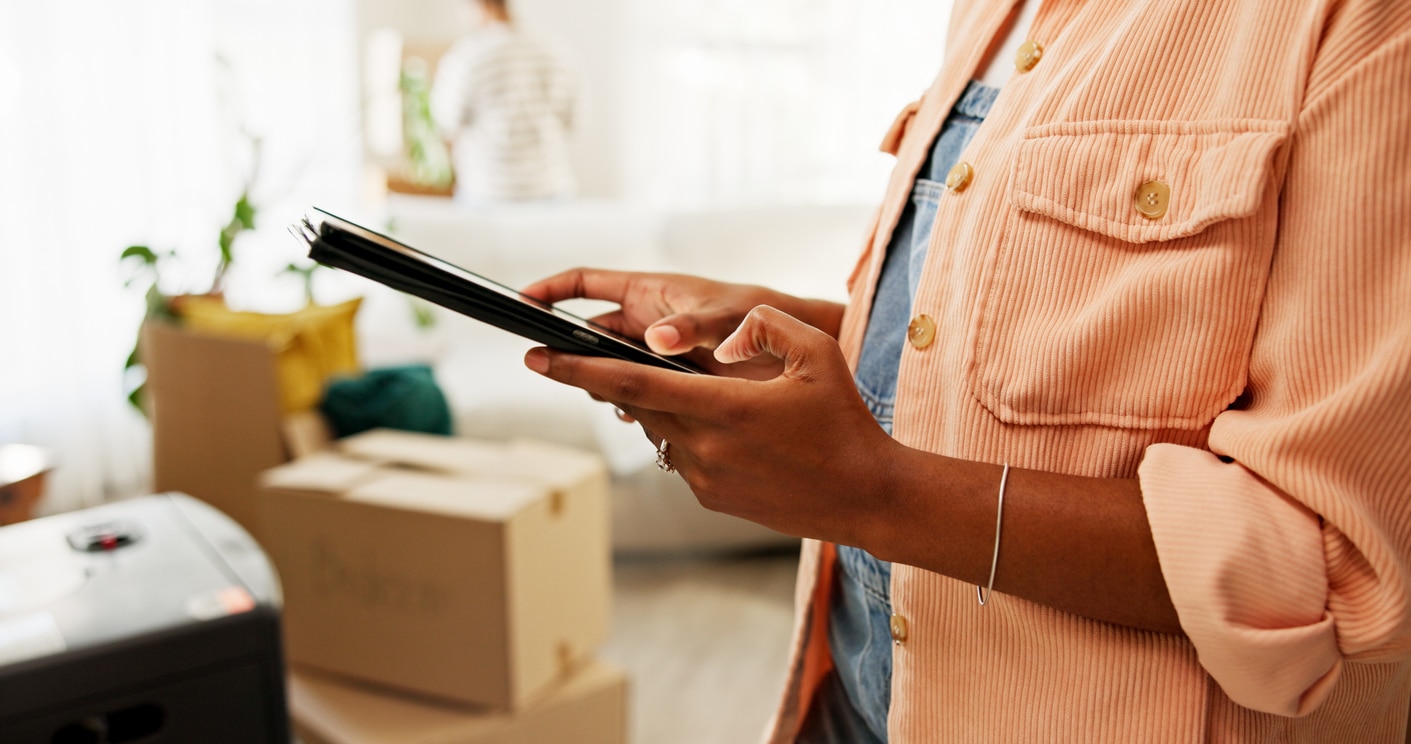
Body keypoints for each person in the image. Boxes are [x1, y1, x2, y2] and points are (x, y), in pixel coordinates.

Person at [521, 0, 1411, 741]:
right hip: (857, 701)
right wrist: (806, 335)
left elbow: (1340, 567)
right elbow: (997, 351)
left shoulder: (1361, 27)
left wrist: (875, 494)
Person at [430, 0, 576, 204]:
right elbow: (572, 118)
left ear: (481, 6)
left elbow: (446, 122)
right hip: (549, 189)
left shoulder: (464, 57)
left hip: (486, 191)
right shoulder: (553, 52)